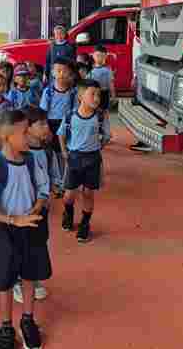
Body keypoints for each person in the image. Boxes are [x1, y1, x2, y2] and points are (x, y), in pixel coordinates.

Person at [0, 110, 50, 349]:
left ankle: (27, 320)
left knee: (29, 275)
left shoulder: (31, 159)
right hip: (6, 231)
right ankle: (6, 326)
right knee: (5, 280)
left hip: (31, 227)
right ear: (8, 137)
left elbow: (43, 190)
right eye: (24, 132)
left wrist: (36, 208)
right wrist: (13, 220)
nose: (28, 135)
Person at [18, 105, 61, 303]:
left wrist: (54, 186)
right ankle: (19, 281)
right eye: (41, 124)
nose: (46, 127)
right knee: (22, 245)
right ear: (27, 128)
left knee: (38, 242)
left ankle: (31, 278)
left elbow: (52, 174)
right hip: (22, 211)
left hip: (41, 208)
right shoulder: (20, 154)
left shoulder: (46, 150)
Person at [58, 79, 106, 243]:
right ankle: (68, 212)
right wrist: (64, 151)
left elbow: (106, 136)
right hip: (74, 158)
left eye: (98, 95)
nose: (97, 98)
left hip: (93, 158)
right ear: (80, 96)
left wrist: (99, 145)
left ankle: (85, 223)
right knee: (69, 194)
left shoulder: (100, 116)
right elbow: (61, 134)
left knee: (88, 193)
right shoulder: (70, 116)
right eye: (92, 94)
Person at [39, 57, 77, 194]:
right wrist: (46, 129)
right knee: (52, 155)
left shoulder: (72, 93)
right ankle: (55, 182)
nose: (61, 74)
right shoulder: (48, 92)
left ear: (70, 74)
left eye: (65, 71)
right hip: (51, 125)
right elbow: (43, 113)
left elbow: (75, 112)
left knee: (65, 154)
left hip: (67, 125)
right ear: (53, 73)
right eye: (58, 71)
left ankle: (66, 181)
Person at [90, 45, 115, 146]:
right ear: (93, 56)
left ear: (105, 57)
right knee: (93, 114)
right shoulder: (90, 69)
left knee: (104, 114)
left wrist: (113, 95)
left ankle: (106, 134)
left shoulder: (107, 70)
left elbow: (111, 83)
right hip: (93, 94)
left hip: (104, 94)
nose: (99, 58)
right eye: (97, 55)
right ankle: (94, 135)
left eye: (101, 56)